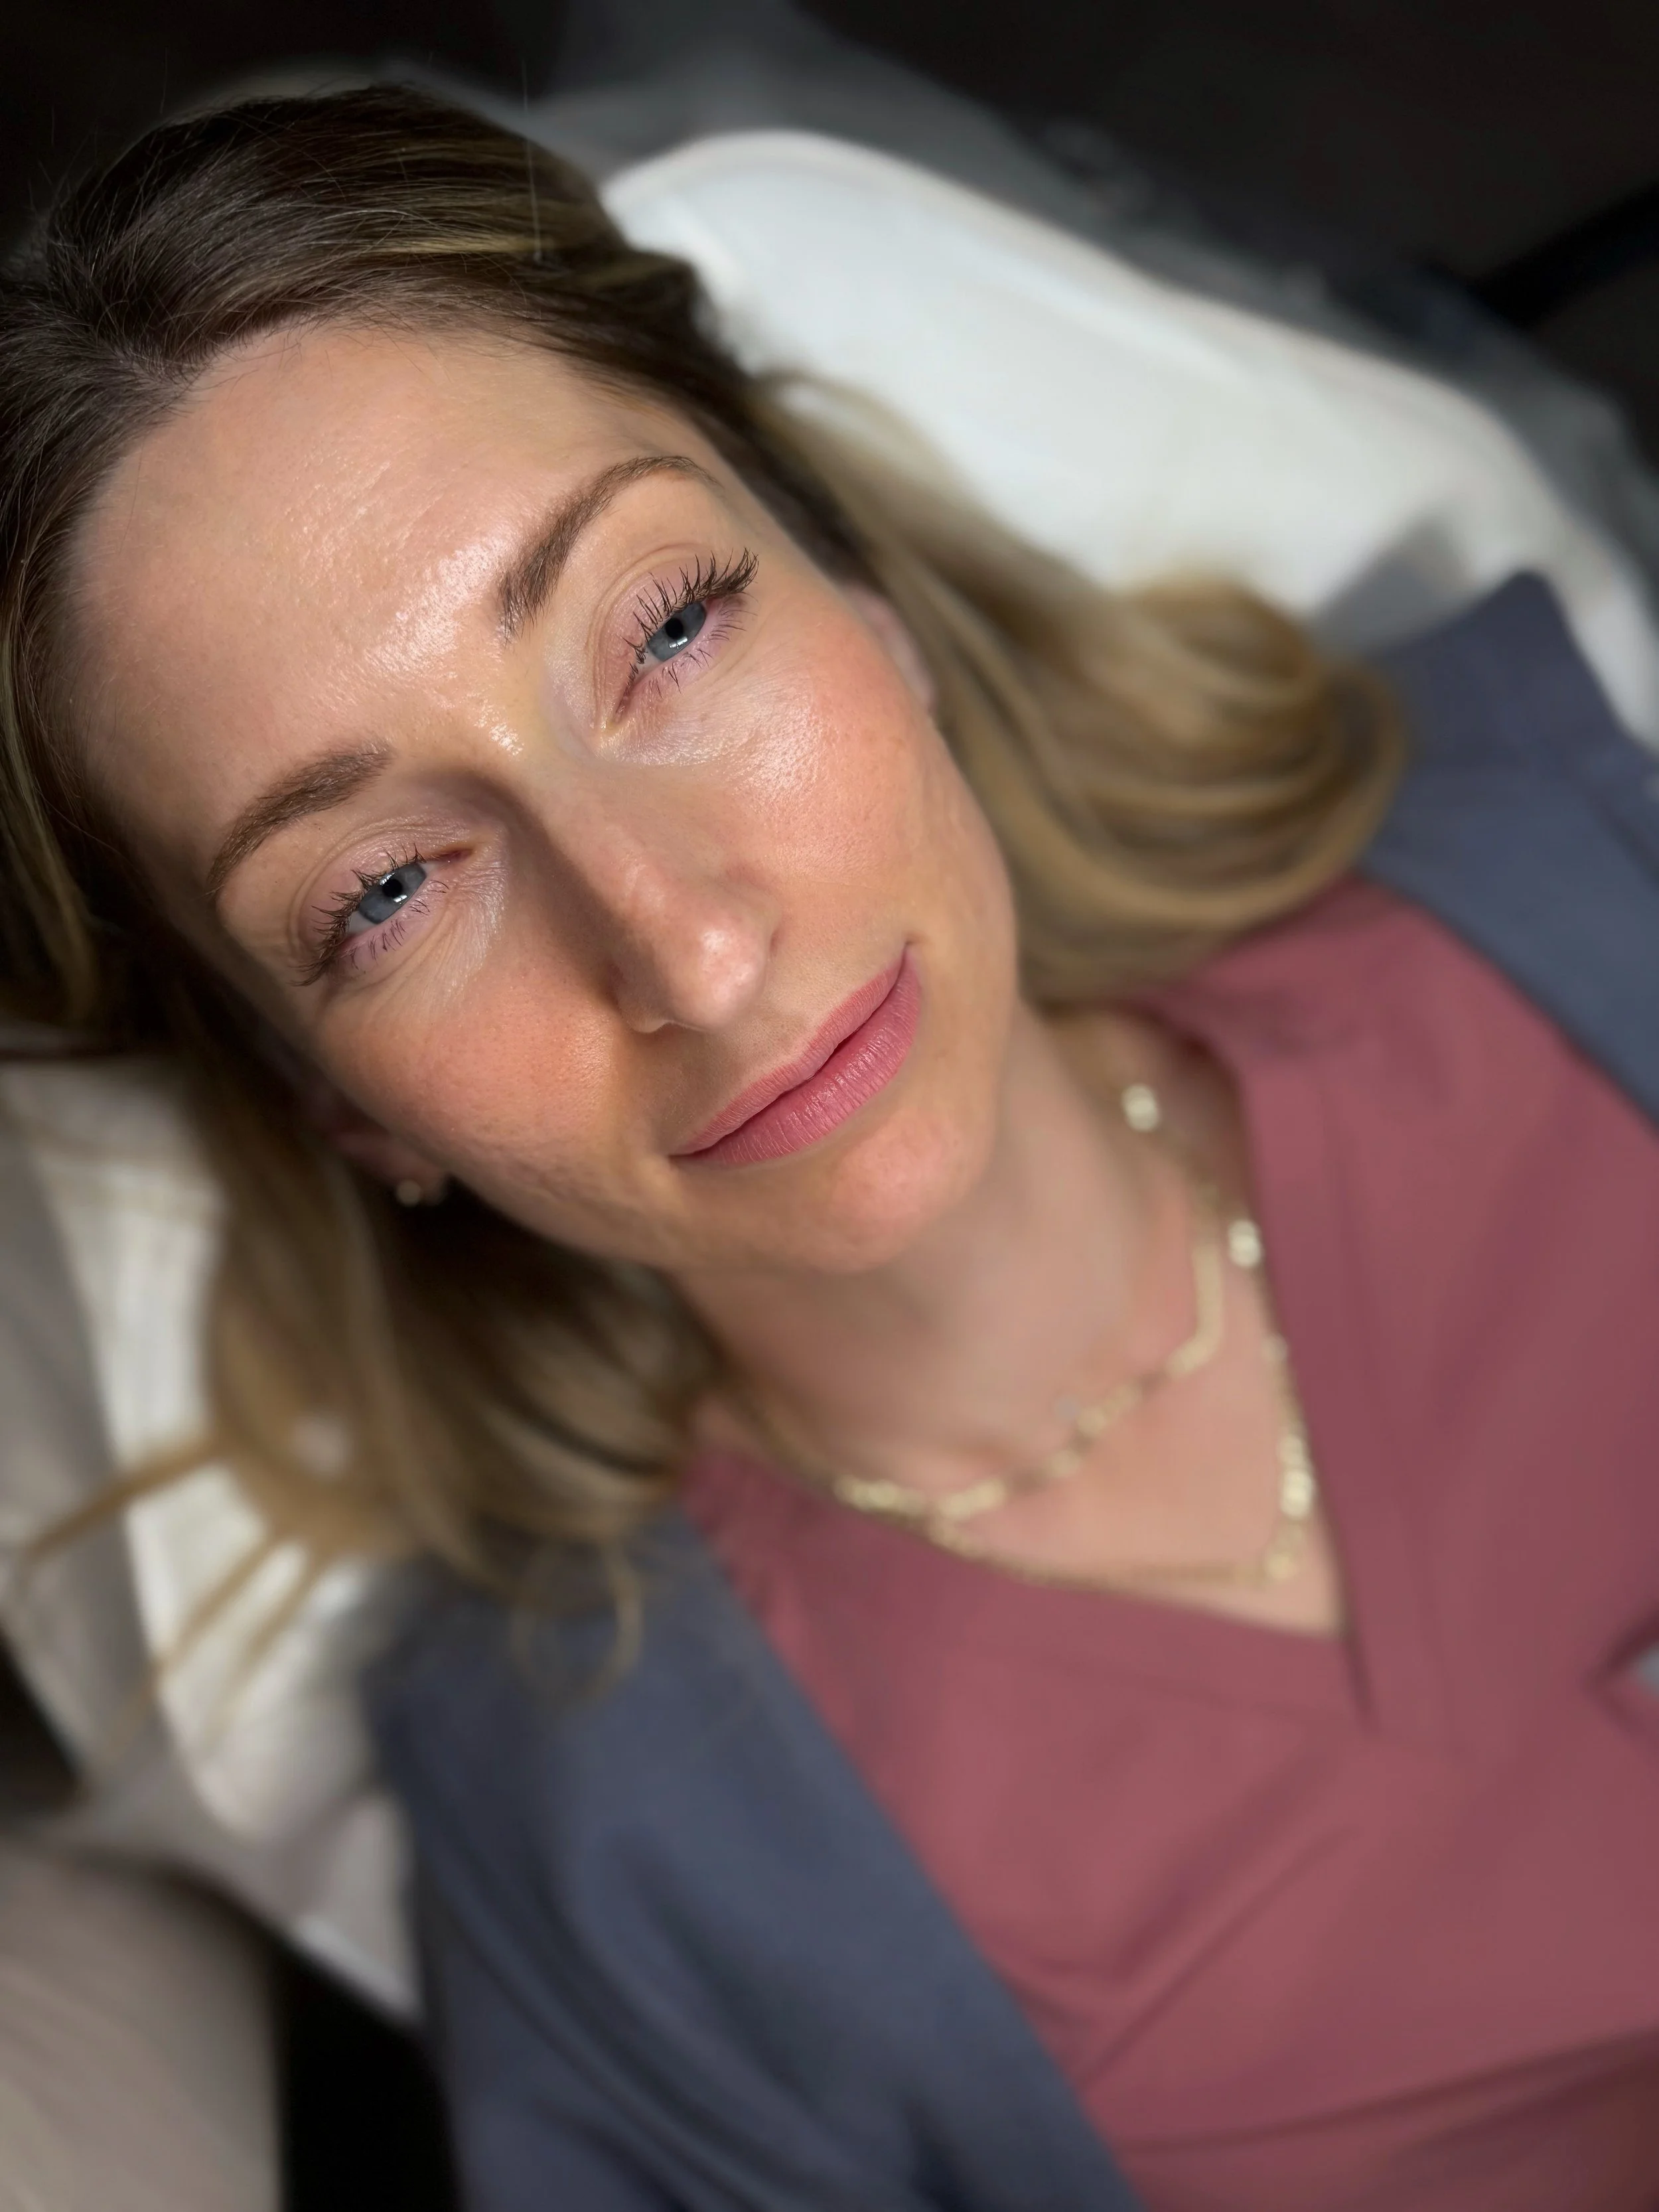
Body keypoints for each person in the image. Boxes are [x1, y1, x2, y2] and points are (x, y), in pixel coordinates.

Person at [2, 84, 1658, 2212]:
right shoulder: (628, 1851)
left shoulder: (1544, 847)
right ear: (336, 1095)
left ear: (859, 595)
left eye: (669, 627)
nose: (682, 939)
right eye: (387, 890)